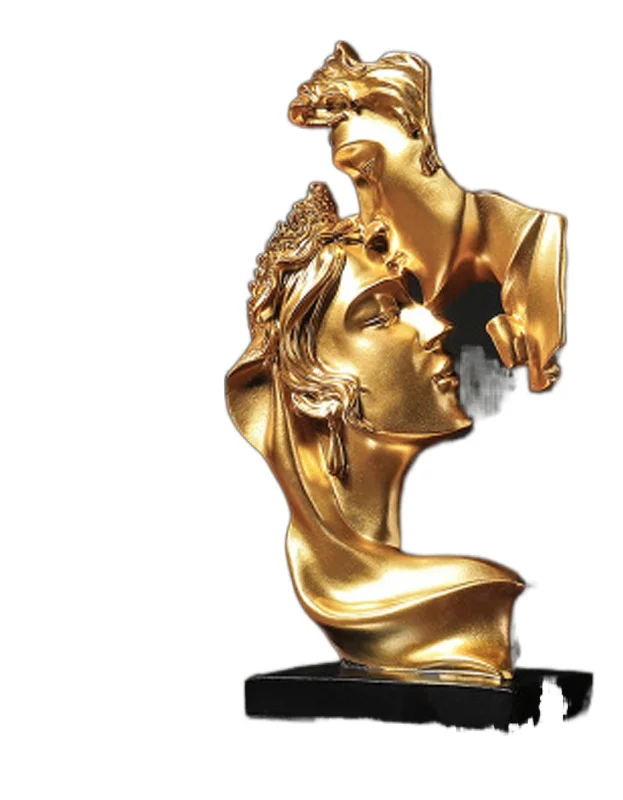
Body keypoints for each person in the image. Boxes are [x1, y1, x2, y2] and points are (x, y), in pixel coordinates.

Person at [226, 183, 524, 681]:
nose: (435, 327)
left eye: (412, 302)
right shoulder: (465, 593)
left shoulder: (457, 591)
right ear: (312, 384)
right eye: (383, 314)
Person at [289, 41, 567, 392]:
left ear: (420, 136)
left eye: (368, 168)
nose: (369, 221)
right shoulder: (378, 283)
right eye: (356, 181)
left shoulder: (532, 246)